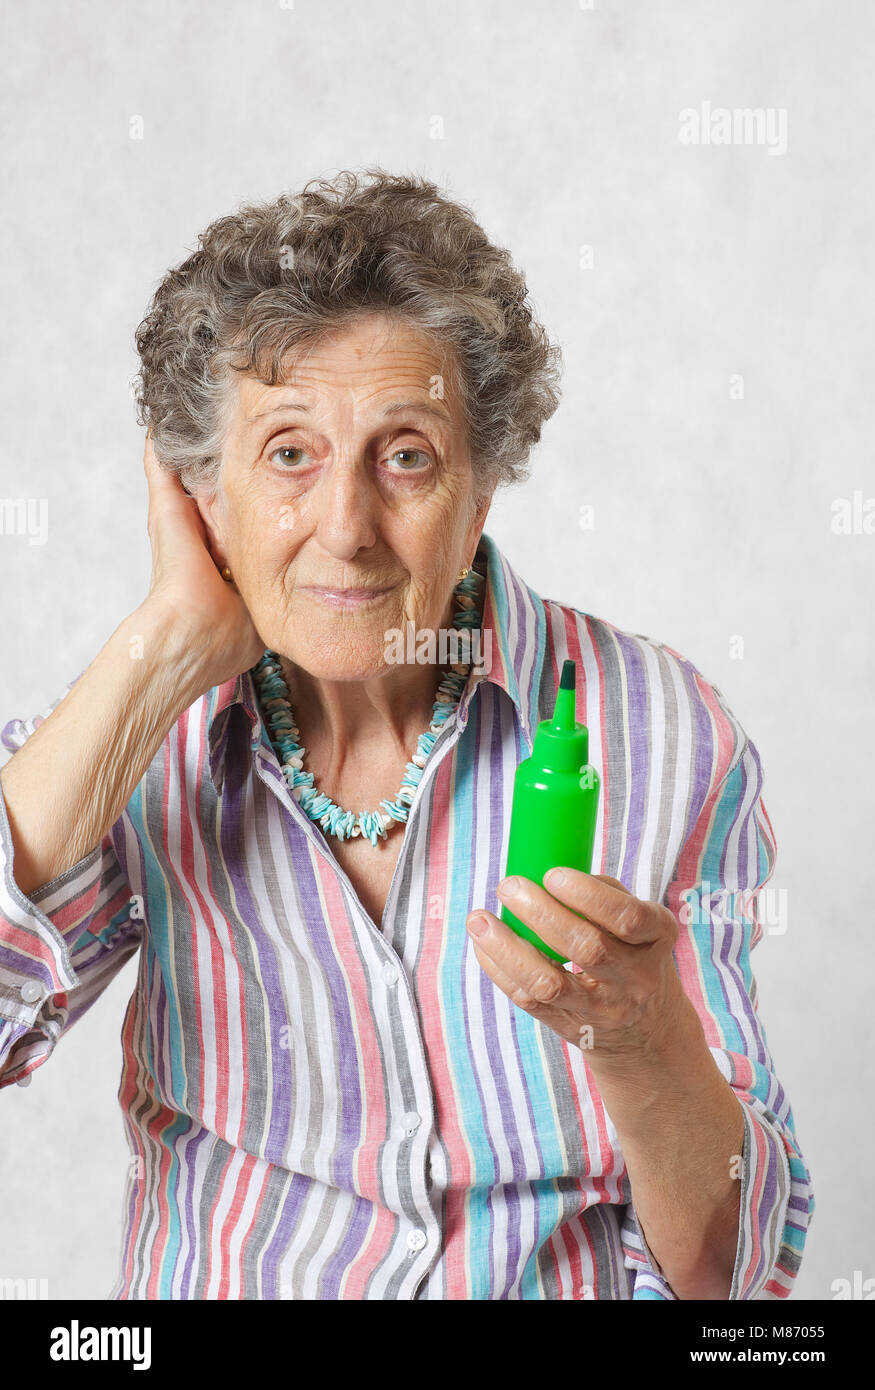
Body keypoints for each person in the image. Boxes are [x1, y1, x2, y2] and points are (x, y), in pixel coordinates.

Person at [0, 168, 813, 1300]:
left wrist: (640, 1039)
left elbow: (727, 1276)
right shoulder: (149, 741)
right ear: (199, 489)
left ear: (480, 490)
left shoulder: (662, 733)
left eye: (407, 456)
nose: (345, 529)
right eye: (288, 453)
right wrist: (166, 638)